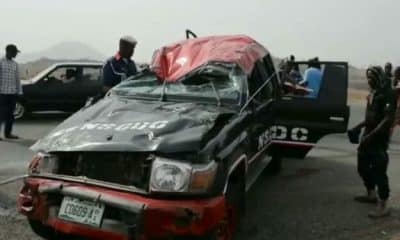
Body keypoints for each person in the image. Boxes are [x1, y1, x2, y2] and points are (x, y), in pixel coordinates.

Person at [348, 66, 397, 218]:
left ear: (379, 77)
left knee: (379, 170)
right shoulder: (372, 93)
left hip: (379, 138)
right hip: (368, 135)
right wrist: (357, 128)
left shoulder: (388, 94)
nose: (369, 81)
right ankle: (371, 193)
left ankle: (383, 204)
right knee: (362, 166)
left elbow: (388, 118)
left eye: (371, 78)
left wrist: (372, 135)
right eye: (368, 78)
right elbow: (370, 117)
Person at [0, 44, 22, 140]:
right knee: (1, 114)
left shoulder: (15, 64)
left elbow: (17, 79)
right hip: (2, 94)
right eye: (15, 52)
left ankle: (8, 133)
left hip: (12, 94)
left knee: (10, 115)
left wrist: (19, 92)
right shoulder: (1, 62)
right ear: (8, 52)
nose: (16, 54)